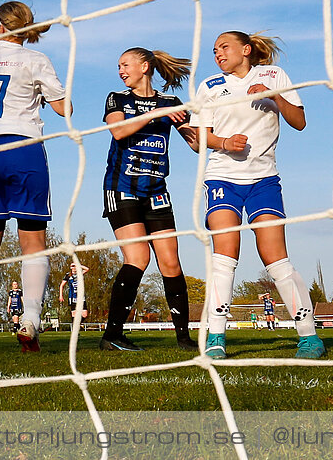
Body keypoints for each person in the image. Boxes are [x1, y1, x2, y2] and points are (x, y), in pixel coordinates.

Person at [198, 31, 321, 359]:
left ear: (246, 49)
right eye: (214, 50)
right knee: (225, 254)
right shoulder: (209, 86)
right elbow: (200, 137)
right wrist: (224, 143)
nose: (218, 54)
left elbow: (300, 121)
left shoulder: (274, 76)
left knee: (275, 257)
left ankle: (309, 337)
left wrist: (274, 96)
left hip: (264, 180)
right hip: (222, 177)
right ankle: (216, 337)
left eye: (224, 47)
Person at [0, 1, 69, 352]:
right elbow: (63, 107)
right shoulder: (36, 60)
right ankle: (31, 320)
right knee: (32, 241)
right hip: (23, 150)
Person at [98, 47, 199, 352]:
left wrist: (219, 132)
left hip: (157, 192)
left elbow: (195, 143)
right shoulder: (117, 98)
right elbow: (118, 131)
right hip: (122, 188)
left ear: (145, 66)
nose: (120, 70)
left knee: (170, 261)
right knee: (138, 257)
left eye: (124, 64)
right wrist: (156, 114)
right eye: (119, 65)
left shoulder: (171, 103)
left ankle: (184, 338)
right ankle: (112, 335)